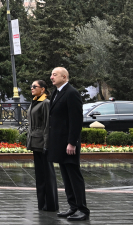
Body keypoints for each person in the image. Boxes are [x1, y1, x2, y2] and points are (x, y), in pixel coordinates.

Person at [48, 67, 89, 221]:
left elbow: (76, 120)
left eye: (55, 75)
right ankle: (73, 207)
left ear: (64, 77)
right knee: (66, 177)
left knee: (74, 176)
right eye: (51, 74)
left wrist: (72, 142)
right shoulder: (57, 92)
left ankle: (83, 210)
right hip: (59, 143)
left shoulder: (72, 93)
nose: (51, 77)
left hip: (68, 144)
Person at [27, 79, 58, 212]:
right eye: (31, 86)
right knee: (40, 175)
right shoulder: (35, 101)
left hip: (42, 143)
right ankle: (42, 204)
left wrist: (47, 144)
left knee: (47, 175)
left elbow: (47, 125)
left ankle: (50, 205)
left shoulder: (45, 103)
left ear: (43, 89)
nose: (32, 88)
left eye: (35, 86)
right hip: (35, 142)